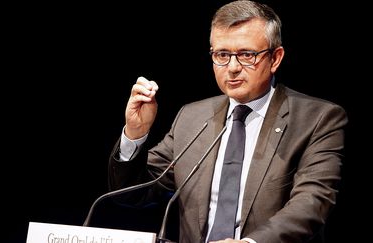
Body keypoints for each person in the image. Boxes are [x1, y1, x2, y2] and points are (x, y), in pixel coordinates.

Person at [107, 0, 348, 242]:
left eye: (246, 55)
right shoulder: (192, 117)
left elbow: (312, 202)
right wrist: (135, 133)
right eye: (222, 54)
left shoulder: (317, 119)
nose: (232, 67)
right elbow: (132, 194)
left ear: (275, 58)